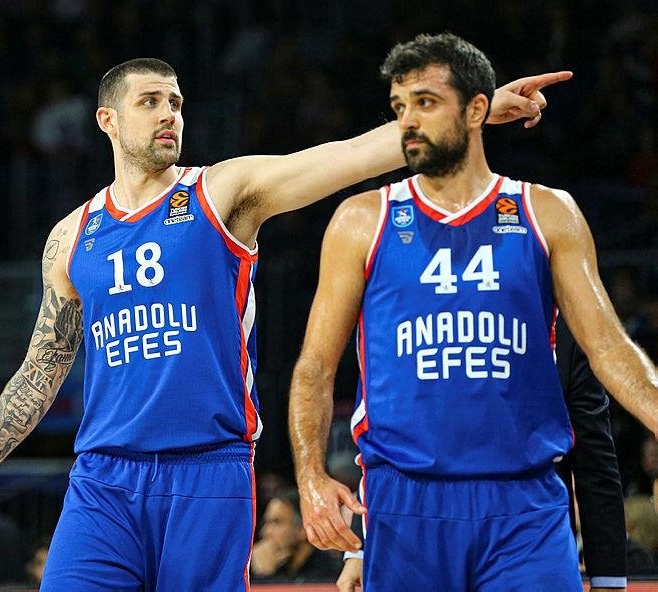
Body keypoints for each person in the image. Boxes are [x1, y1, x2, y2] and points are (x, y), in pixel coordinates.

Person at [0, 57, 569, 591]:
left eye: (176, 103)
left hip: (207, 469)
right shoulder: (71, 236)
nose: (169, 114)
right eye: (150, 102)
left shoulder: (222, 192)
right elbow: (43, 365)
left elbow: (348, 156)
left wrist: (464, 116)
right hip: (103, 478)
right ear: (108, 120)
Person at [288, 33, 658, 592]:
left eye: (426, 102)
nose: (409, 121)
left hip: (524, 504)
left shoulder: (547, 211)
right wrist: (311, 477)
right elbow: (315, 366)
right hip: (404, 503)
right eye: (399, 106)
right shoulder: (361, 220)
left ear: (477, 109)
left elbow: (607, 346)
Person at [334, 314, 628, 591]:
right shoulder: (413, 311)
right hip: (415, 524)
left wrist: (609, 577)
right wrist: (361, 548)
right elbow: (385, 430)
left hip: (529, 523)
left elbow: (595, 460)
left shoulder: (568, 326)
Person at [251, 488, 342, 582]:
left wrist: (265, 574)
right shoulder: (281, 565)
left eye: (276, 522)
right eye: (266, 523)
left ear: (303, 528)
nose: (265, 531)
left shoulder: (328, 573)